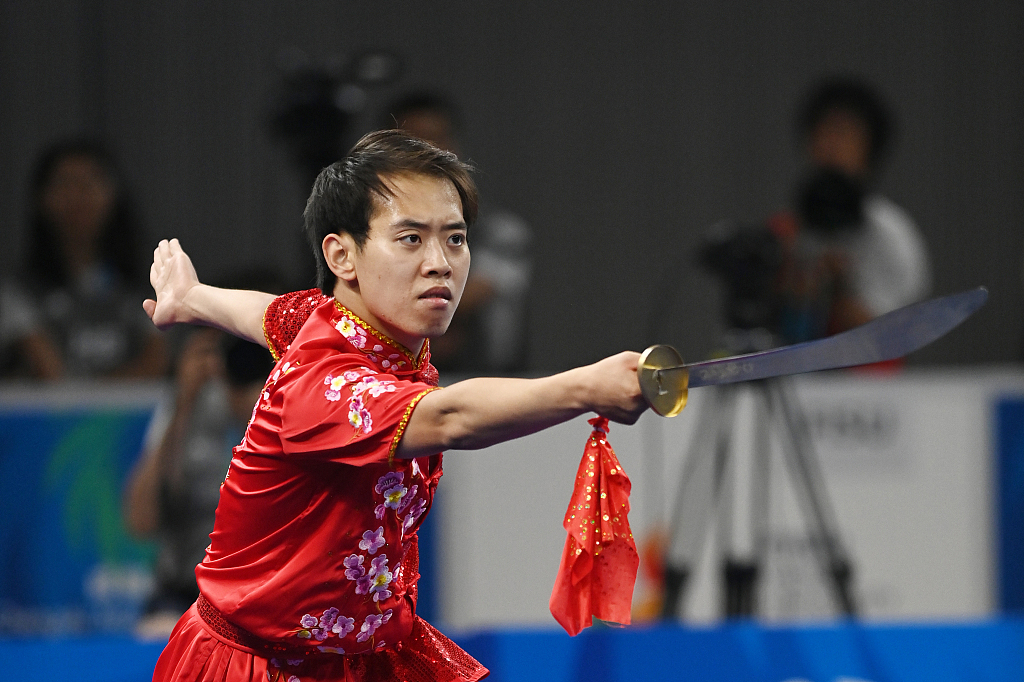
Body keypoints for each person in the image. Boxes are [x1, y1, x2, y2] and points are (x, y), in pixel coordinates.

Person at [144, 130, 645, 682]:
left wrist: (191, 298)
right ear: (342, 255)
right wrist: (584, 387)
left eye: (455, 239)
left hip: (365, 657)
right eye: (410, 239)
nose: (441, 264)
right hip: (256, 666)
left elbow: (266, 314)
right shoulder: (321, 384)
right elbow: (450, 416)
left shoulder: (330, 320)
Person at [123, 329, 275, 639]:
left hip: (257, 594)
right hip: (183, 592)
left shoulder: (282, 415)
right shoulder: (185, 412)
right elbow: (140, 521)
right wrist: (185, 398)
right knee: (157, 636)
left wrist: (253, 401)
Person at [770, 77, 931, 343]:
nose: (832, 145)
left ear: (870, 148)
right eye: (824, 133)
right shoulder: (783, 230)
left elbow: (889, 332)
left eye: (844, 134)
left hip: (871, 383)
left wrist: (838, 282)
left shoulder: (891, 232)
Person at [381, 91, 532, 373]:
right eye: (412, 142)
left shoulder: (499, 231)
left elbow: (476, 292)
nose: (425, 154)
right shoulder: (364, 228)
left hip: (484, 383)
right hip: (392, 381)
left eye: (436, 140)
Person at [0, 139, 166, 379]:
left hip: (133, 415)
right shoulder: (19, 292)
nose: (78, 196)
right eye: (64, 183)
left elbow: (154, 367)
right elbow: (54, 375)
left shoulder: (147, 286)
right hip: (51, 415)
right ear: (41, 198)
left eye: (91, 182)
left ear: (113, 195)